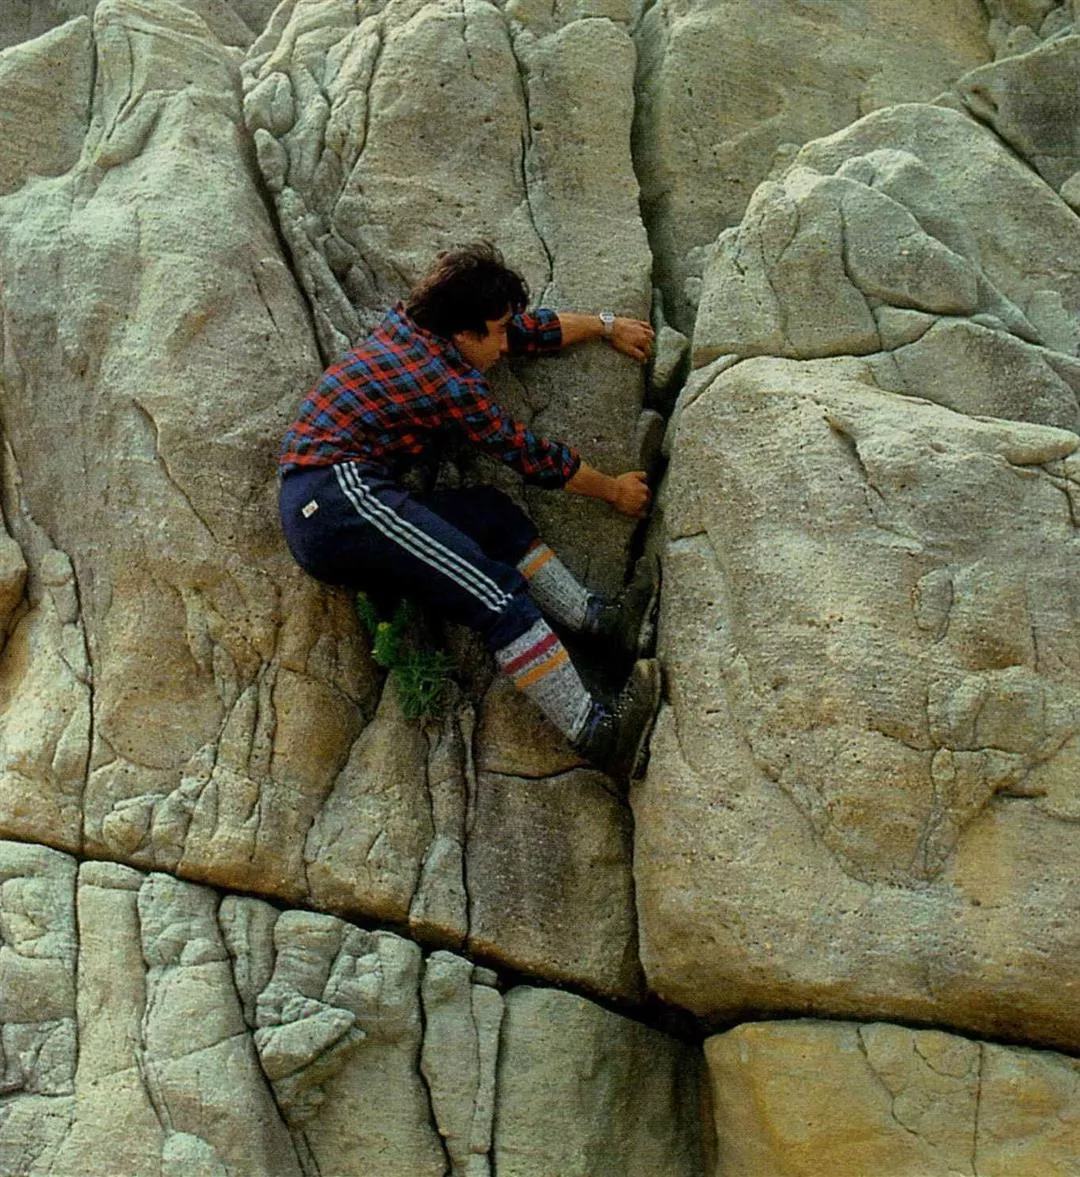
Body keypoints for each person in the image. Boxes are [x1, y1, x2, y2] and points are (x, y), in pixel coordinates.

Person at [278, 242, 661, 779]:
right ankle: (598, 734)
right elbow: (526, 454)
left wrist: (605, 326)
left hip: (341, 500)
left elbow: (527, 331)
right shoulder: (444, 380)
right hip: (336, 500)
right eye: (496, 332)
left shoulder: (426, 328)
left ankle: (600, 623)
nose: (505, 343)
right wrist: (612, 491)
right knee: (494, 595)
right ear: (464, 333)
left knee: (488, 514)